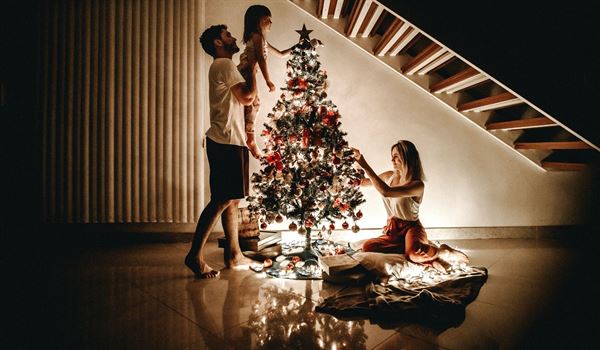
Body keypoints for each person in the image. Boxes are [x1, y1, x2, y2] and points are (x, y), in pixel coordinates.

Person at [185, 24, 258, 279]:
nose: (233, 37)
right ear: (218, 43)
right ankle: (195, 255)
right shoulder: (224, 65)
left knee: (231, 199)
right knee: (221, 199)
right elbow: (248, 96)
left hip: (230, 140)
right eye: (227, 35)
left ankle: (234, 254)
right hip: (225, 141)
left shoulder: (225, 68)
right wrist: (256, 68)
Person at [352, 140, 469, 273]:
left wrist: (364, 163)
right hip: (393, 228)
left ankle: (441, 251)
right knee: (368, 246)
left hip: (411, 228)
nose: (392, 159)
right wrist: (356, 161)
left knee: (413, 255)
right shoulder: (389, 176)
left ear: (407, 158)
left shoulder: (417, 185)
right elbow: (362, 182)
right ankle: (422, 251)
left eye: (396, 156)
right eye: (392, 156)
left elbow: (386, 191)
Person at [237, 4, 292, 159]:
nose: (271, 23)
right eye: (268, 19)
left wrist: (298, 46)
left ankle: (249, 137)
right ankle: (250, 139)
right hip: (245, 72)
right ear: (258, 20)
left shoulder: (262, 40)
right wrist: (268, 80)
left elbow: (281, 54)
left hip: (249, 73)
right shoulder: (256, 37)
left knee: (253, 104)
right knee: (253, 104)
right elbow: (260, 59)